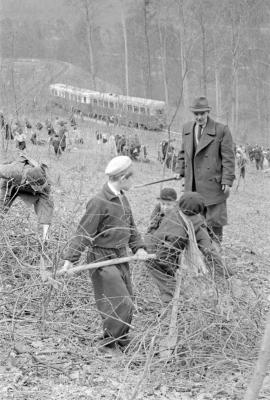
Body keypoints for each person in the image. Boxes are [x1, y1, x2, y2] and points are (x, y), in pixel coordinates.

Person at [61, 156, 148, 349]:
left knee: (129, 300)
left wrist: (139, 247)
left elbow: (131, 228)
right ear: (123, 178)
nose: (133, 181)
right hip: (102, 258)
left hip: (121, 256)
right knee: (118, 302)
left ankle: (121, 339)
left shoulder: (123, 198)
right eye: (131, 178)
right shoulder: (98, 202)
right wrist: (70, 259)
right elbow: (83, 232)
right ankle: (108, 344)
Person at [147, 191, 231, 305]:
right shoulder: (179, 233)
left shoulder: (184, 215)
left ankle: (173, 306)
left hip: (161, 250)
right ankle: (170, 312)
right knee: (169, 289)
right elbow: (163, 259)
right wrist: (173, 272)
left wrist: (227, 274)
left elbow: (209, 249)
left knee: (172, 287)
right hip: (155, 257)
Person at [175, 96, 235, 243]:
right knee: (193, 221)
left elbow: (228, 157)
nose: (199, 117)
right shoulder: (187, 128)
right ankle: (196, 252)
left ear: (208, 112)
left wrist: (227, 180)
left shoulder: (221, 130)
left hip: (213, 185)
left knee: (214, 223)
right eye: (196, 114)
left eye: (202, 113)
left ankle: (214, 256)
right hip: (193, 185)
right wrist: (179, 170)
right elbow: (183, 152)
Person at [0, 155, 54, 241]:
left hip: (29, 189)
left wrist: (45, 233)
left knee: (44, 203)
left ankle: (44, 237)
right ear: (29, 181)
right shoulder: (13, 170)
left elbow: (46, 205)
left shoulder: (46, 183)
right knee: (2, 205)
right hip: (11, 184)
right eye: (37, 186)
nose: (39, 188)